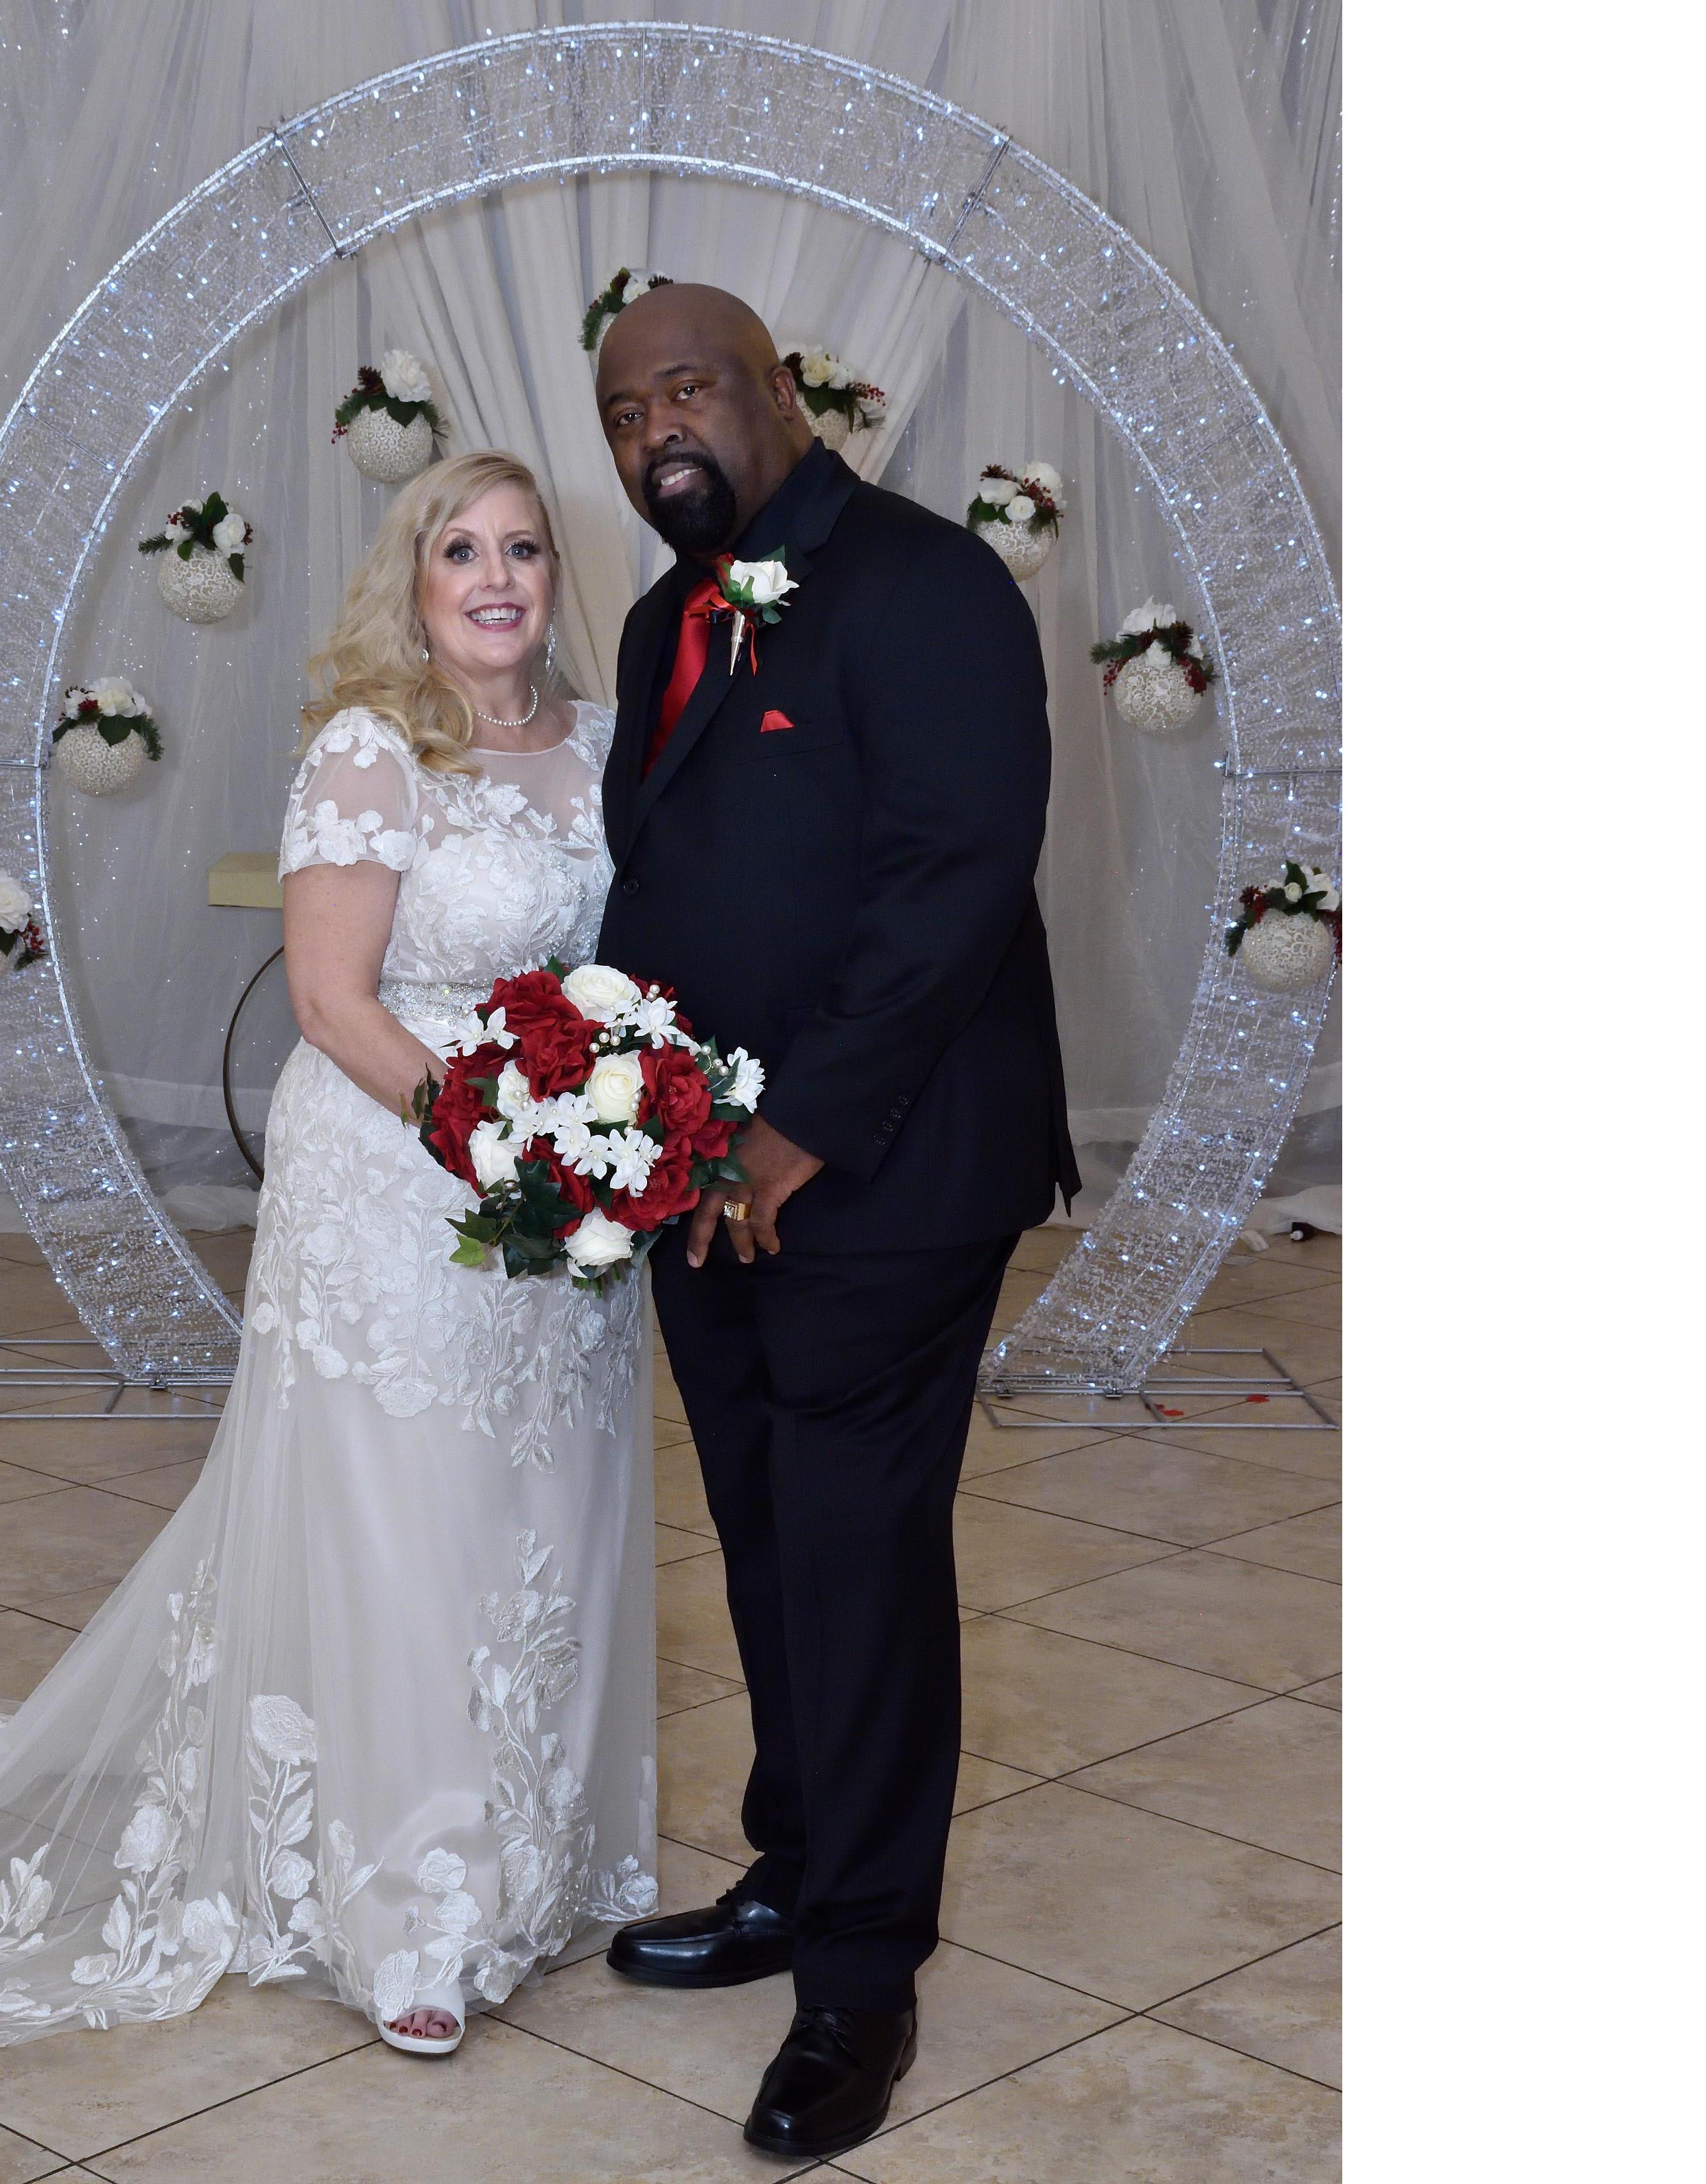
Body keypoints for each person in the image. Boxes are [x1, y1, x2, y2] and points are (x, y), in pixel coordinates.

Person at [0, 451, 658, 2064]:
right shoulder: (374, 749)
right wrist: (492, 1142)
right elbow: (329, 999)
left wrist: (610, 1130)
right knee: (408, 1520)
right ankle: (408, 1909)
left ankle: (537, 1854)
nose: (498, 577)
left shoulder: (598, 745)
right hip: (397, 1177)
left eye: (522, 547)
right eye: (463, 549)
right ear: (415, 581)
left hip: (560, 1189)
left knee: (544, 1508)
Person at [592, 284, 1080, 2160]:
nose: (657, 433)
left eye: (686, 391)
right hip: (702, 1179)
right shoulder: (664, 618)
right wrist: (635, 1117)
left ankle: (862, 1978)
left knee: (857, 1556)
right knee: (767, 1531)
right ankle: (796, 1870)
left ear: (778, 394)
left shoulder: (927, 583)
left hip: (886, 1170)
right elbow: (667, 884)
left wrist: (790, 1131)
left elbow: (954, 878)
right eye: (624, 413)